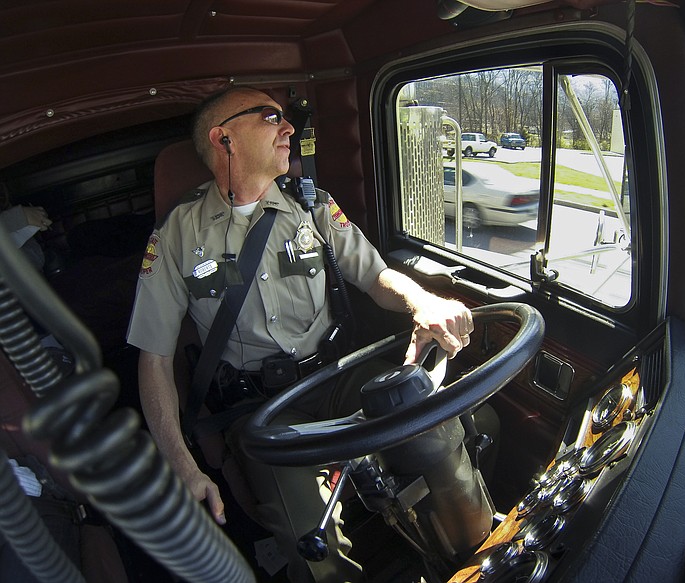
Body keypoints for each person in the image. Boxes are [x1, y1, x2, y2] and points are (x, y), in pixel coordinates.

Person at [126, 86, 475, 582]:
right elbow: (154, 360)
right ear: (224, 138)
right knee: (310, 542)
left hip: (335, 376)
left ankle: (483, 554)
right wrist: (180, 462)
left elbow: (376, 276)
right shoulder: (175, 236)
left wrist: (426, 302)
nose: (289, 128)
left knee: (433, 422)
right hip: (261, 409)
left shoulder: (312, 205)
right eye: (271, 117)